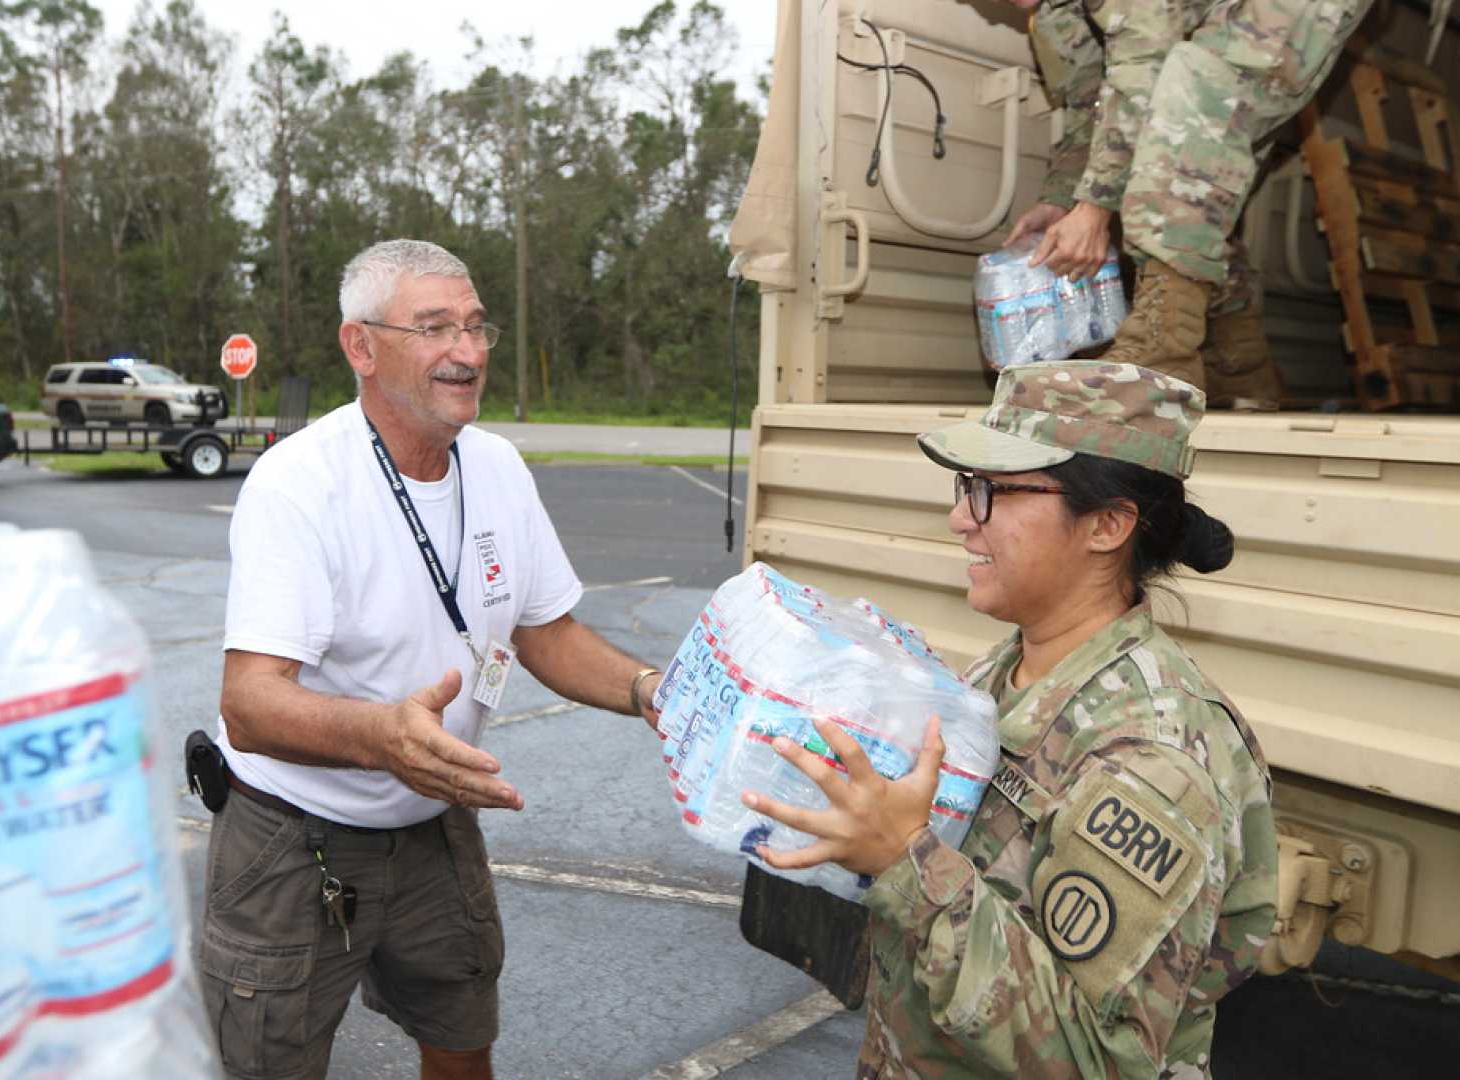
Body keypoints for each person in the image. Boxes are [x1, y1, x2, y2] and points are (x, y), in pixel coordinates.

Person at [199, 239, 664, 1080]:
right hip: (292, 836)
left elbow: (546, 634)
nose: (470, 351)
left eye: (478, 326)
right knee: (269, 1062)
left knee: (460, 1030)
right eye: (436, 327)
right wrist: (384, 736)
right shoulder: (298, 484)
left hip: (430, 821)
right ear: (362, 346)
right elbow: (251, 704)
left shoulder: (498, 467)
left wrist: (649, 690)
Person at [742, 360, 1278, 1077]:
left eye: (994, 491)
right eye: (966, 487)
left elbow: (1096, 1056)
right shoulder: (1004, 672)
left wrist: (906, 862)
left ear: (1108, 525)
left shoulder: (1149, 756)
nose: (960, 517)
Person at [1003, 0, 1375, 408]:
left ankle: (1161, 352)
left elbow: (1143, 70)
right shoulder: (1053, 15)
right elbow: (1091, 108)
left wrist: (1093, 206)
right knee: (1172, 175)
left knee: (1197, 95)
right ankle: (1242, 369)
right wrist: (1062, 198)